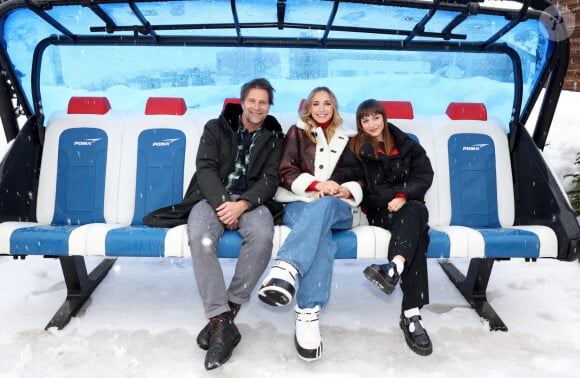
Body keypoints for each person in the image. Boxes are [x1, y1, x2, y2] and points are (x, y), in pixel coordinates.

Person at [143, 78, 285, 370]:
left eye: (263, 102)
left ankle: (226, 311)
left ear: (269, 106)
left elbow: (271, 179)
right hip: (211, 199)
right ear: (242, 101)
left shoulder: (274, 136)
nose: (257, 107)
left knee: (261, 236)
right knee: (200, 236)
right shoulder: (216, 127)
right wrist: (224, 203)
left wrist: (242, 204)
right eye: (252, 100)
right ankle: (222, 320)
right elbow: (205, 167)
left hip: (251, 201)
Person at [257, 87, 363, 361]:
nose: (322, 108)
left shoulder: (350, 138)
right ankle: (307, 314)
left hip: (338, 206)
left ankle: (287, 267)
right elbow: (286, 171)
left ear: (334, 107)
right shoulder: (297, 132)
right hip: (299, 201)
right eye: (316, 103)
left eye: (327, 103)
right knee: (321, 236)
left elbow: (358, 175)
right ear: (309, 108)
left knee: (325, 206)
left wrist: (339, 189)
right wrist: (316, 185)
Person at [331, 98, 434, 356]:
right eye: (365, 120)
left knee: (415, 214)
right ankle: (412, 314)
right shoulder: (356, 147)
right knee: (418, 229)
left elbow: (424, 175)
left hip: (407, 205)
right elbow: (345, 173)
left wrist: (403, 195)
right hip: (380, 211)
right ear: (360, 123)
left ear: (384, 118)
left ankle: (394, 267)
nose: (371, 124)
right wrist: (335, 185)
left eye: (375, 117)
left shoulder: (405, 144)